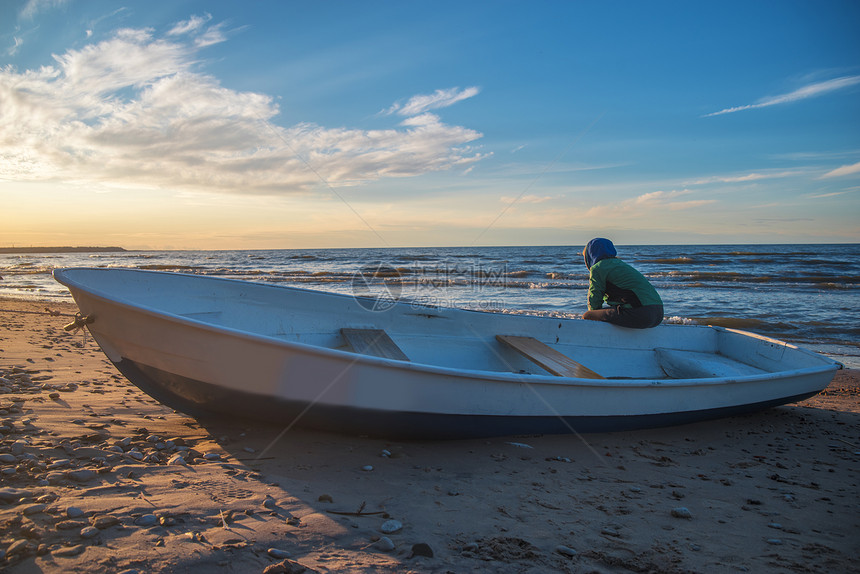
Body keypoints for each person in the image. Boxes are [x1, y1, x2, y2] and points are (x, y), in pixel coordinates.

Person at [581, 238, 663, 329]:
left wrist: (594, 315)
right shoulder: (620, 264)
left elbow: (595, 297)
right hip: (658, 314)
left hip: (641, 314)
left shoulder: (598, 268)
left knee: (588, 315)